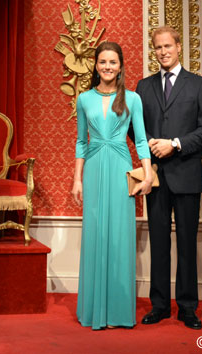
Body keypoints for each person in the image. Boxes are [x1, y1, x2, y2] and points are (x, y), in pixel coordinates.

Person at [135, 26, 202, 330]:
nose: (163, 52)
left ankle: (187, 307)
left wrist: (176, 144)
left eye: (168, 46)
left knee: (186, 244)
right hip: (154, 176)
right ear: (153, 50)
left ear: (179, 47)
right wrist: (153, 143)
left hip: (185, 174)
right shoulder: (143, 87)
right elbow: (135, 128)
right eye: (158, 48)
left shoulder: (199, 85)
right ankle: (159, 305)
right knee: (158, 242)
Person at [71, 42, 153, 330]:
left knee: (119, 237)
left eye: (113, 62)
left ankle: (118, 311)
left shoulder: (133, 99)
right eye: (103, 62)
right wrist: (77, 179)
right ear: (96, 65)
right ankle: (94, 309)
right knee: (95, 234)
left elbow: (141, 140)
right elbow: (82, 141)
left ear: (121, 66)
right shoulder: (84, 99)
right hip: (93, 169)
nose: (107, 67)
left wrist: (148, 173)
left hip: (120, 169)